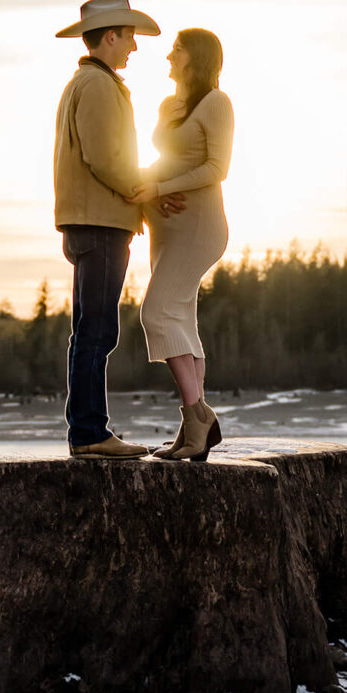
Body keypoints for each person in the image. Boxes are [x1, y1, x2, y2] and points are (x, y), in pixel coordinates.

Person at [51, 0, 183, 459]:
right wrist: (145, 193)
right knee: (97, 331)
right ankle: (89, 433)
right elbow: (106, 158)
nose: (133, 47)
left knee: (89, 329)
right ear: (110, 36)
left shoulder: (85, 83)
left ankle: (87, 431)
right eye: (128, 36)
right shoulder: (100, 87)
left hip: (90, 221)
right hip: (100, 223)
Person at [128, 28, 233, 461]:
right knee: (182, 318)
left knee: (155, 312)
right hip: (165, 225)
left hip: (199, 225)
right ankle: (194, 433)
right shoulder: (169, 104)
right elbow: (164, 159)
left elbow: (216, 168)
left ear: (197, 57)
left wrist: (161, 187)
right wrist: (143, 184)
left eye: (177, 49)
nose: (168, 55)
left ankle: (197, 415)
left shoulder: (217, 103)